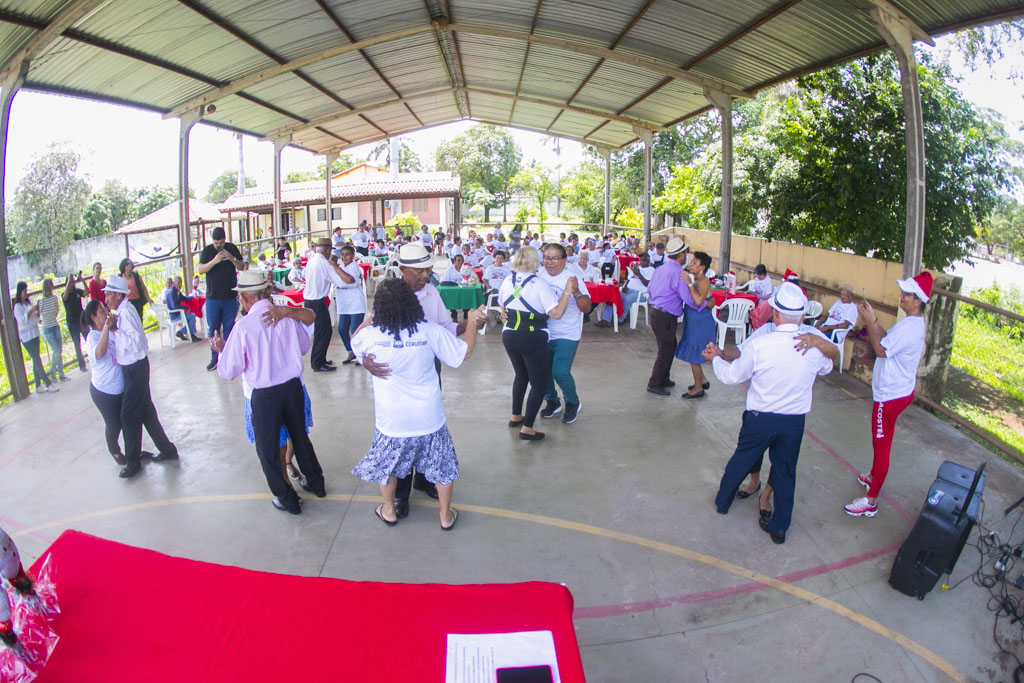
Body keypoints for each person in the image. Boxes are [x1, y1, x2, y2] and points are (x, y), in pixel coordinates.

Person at [360, 242, 484, 516]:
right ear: (403, 269)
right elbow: (363, 337)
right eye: (419, 271)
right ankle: (401, 497)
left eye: (427, 269)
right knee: (407, 435)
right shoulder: (390, 297)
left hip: (427, 368)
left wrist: (470, 324)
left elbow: (446, 327)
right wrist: (365, 360)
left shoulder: (431, 293)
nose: (425, 275)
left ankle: (425, 479)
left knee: (422, 432)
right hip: (397, 375)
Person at [708, 282, 835, 544]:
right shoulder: (812, 346)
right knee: (786, 470)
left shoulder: (761, 344)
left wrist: (716, 359)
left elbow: (732, 376)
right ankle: (779, 528)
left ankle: (723, 502)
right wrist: (818, 344)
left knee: (742, 459)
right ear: (802, 316)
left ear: (774, 314)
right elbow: (827, 369)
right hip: (793, 422)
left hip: (760, 419)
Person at [212, 271, 326, 514]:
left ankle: (287, 499)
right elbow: (305, 346)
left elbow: (229, 370)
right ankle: (316, 482)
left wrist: (223, 351)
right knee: (300, 437)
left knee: (268, 449)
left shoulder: (243, 326)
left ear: (243, 298)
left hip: (265, 395)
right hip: (292, 387)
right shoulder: (285, 315)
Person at [845, 272, 931, 518]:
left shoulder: (910, 327)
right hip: (897, 392)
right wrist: (873, 320)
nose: (902, 297)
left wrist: (870, 322)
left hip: (890, 396)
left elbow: (881, 350)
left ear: (918, 300)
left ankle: (870, 501)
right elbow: (886, 339)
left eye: (908, 295)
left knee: (881, 447)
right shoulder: (910, 322)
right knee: (881, 441)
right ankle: (872, 477)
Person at [103, 275, 178, 478]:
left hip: (135, 369)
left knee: (128, 416)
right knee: (146, 413)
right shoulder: (122, 311)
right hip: (132, 369)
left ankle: (133, 462)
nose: (107, 298)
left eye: (109, 294)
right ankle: (168, 450)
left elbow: (136, 342)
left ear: (119, 295)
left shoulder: (125, 314)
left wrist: (116, 329)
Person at [499, 246, 573, 441]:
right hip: (531, 337)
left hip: (509, 335)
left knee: (521, 376)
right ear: (535, 262)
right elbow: (556, 313)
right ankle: (528, 428)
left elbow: (503, 306)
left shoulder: (508, 280)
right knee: (539, 383)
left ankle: (516, 415)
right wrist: (566, 292)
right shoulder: (538, 284)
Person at [80, 299, 153, 466]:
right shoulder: (93, 337)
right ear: (93, 317)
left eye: (105, 309)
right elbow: (100, 353)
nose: (105, 312)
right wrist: (107, 327)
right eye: (101, 311)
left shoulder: (112, 328)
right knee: (114, 424)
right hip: (105, 392)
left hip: (121, 387)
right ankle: (115, 451)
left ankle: (134, 452)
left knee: (129, 420)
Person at [537, 244, 591, 425]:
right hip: (543, 333)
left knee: (559, 372)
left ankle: (572, 401)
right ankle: (552, 401)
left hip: (567, 333)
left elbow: (587, 307)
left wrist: (575, 292)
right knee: (542, 372)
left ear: (564, 261)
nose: (549, 262)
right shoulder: (539, 276)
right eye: (546, 258)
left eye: (554, 259)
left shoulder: (572, 278)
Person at [645, 238, 690, 395]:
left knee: (669, 347)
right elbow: (687, 297)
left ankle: (664, 378)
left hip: (657, 313)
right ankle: (655, 382)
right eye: (685, 253)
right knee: (665, 350)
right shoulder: (679, 273)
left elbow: (650, 288)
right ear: (681, 255)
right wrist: (702, 304)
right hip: (665, 316)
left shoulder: (660, 269)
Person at [304, 237, 353, 372]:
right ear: (325, 251)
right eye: (330, 251)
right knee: (324, 332)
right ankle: (317, 363)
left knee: (322, 331)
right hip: (317, 301)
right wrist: (337, 268)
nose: (330, 254)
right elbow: (341, 282)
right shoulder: (325, 264)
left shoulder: (311, 261)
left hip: (309, 300)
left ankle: (320, 359)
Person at [197, 226, 243, 371]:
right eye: (216, 243)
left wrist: (232, 258)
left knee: (230, 328)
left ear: (225, 239)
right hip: (213, 298)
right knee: (213, 329)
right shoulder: (207, 251)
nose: (219, 245)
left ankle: (229, 356)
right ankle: (214, 357)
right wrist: (215, 261)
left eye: (221, 242)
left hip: (230, 296)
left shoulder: (231, 248)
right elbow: (200, 269)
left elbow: (242, 266)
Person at [674, 251, 714, 399]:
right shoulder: (697, 279)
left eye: (695, 263)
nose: (691, 264)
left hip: (700, 323)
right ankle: (702, 380)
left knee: (695, 356)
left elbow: (698, 301)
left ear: (702, 267)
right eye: (692, 262)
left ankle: (698, 388)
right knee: (693, 353)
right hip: (693, 322)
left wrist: (689, 283)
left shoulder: (703, 281)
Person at [12, 282, 56, 393]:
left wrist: (36, 313)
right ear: (20, 292)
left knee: (35, 359)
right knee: (37, 359)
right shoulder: (17, 306)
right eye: (24, 291)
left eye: (27, 291)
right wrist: (30, 311)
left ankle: (37, 385)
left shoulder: (28, 303)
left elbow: (35, 317)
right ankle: (47, 383)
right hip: (26, 336)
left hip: (34, 333)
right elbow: (21, 321)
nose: (26, 294)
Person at [600, 252, 653, 327]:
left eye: (644, 260)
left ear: (648, 261)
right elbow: (629, 279)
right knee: (613, 296)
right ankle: (606, 319)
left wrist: (639, 275)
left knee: (627, 299)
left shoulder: (651, 270)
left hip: (641, 293)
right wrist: (625, 286)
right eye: (640, 260)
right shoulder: (638, 268)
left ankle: (619, 320)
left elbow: (648, 284)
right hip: (628, 290)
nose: (641, 262)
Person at [334, 245, 366, 365]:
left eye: (347, 254)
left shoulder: (354, 267)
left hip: (356, 303)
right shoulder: (340, 268)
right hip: (344, 304)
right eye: (342, 254)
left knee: (355, 330)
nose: (344, 257)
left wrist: (336, 267)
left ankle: (360, 354)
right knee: (342, 329)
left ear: (353, 256)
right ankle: (350, 351)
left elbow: (349, 280)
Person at [37, 278, 69, 384]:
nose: (52, 287)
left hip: (55, 325)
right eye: (51, 285)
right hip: (47, 328)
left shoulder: (54, 298)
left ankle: (60, 373)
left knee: (58, 350)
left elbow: (56, 310)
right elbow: (39, 314)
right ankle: (53, 370)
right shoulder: (41, 300)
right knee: (56, 350)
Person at [62, 272, 89, 372]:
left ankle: (92, 357)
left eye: (73, 283)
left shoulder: (77, 291)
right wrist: (69, 280)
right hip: (72, 322)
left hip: (81, 320)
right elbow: (64, 297)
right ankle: (82, 365)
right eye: (70, 283)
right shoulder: (65, 295)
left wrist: (82, 281)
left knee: (88, 338)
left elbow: (87, 293)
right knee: (77, 345)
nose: (72, 285)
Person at [164, 276, 199, 340]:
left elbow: (183, 298)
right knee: (191, 316)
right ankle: (191, 335)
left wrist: (193, 297)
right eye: (178, 283)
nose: (180, 285)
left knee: (190, 316)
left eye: (181, 283)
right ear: (174, 283)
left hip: (178, 313)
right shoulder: (172, 292)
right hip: (174, 315)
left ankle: (181, 332)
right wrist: (185, 307)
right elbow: (174, 307)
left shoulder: (177, 291)